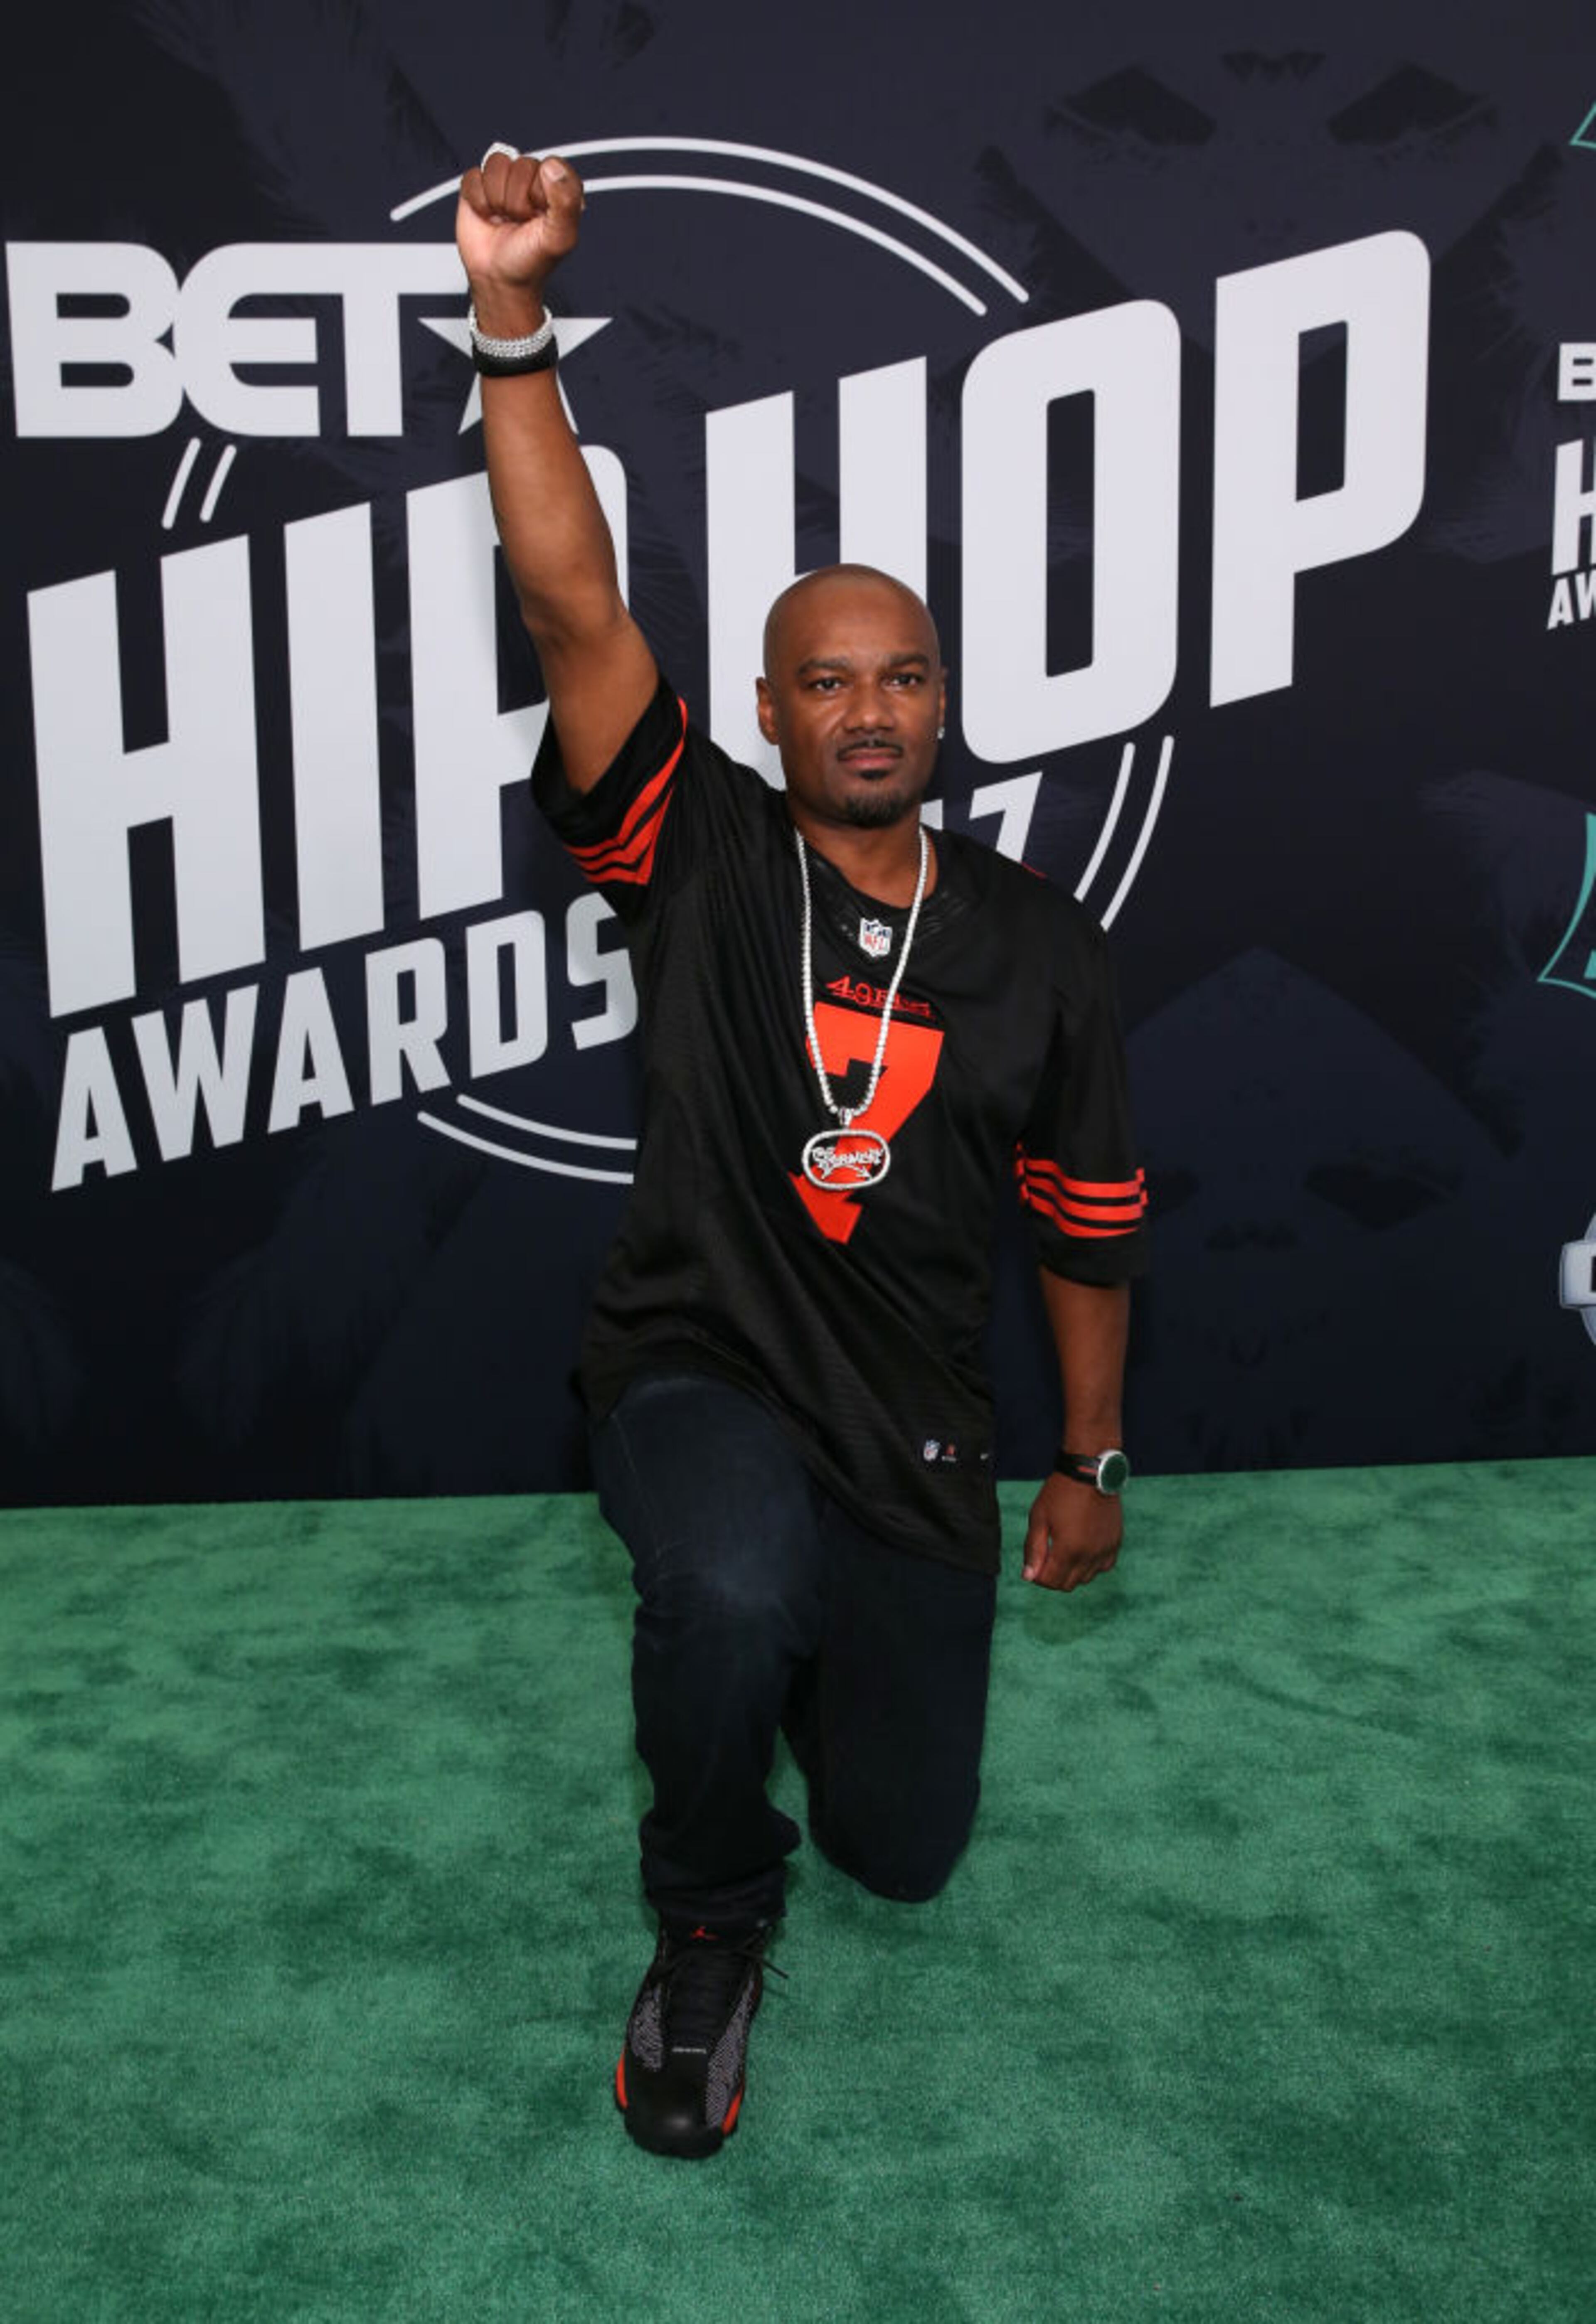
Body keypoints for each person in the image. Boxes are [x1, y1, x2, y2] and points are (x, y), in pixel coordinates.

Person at [457, 145, 1149, 2161]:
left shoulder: (1038, 942)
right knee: (733, 1578)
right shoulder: (700, 852)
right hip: (699, 1360)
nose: (868, 708)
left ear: (947, 704)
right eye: (826, 680)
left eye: (904, 676)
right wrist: (514, 318)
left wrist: (1093, 1460)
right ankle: (704, 1923)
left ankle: (783, 1663)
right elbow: (572, 593)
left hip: (916, 1419)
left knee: (908, 1849)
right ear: (761, 713)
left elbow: (1089, 1225)